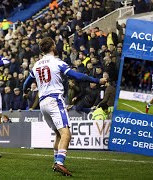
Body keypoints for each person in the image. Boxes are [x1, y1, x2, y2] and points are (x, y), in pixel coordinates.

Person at [23, 37, 107, 176]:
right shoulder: (57, 62)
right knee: (66, 134)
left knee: (58, 134)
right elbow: (77, 76)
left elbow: (27, 82)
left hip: (43, 103)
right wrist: (97, 80)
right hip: (55, 100)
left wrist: (25, 90)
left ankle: (56, 161)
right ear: (52, 47)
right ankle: (60, 163)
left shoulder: (36, 65)